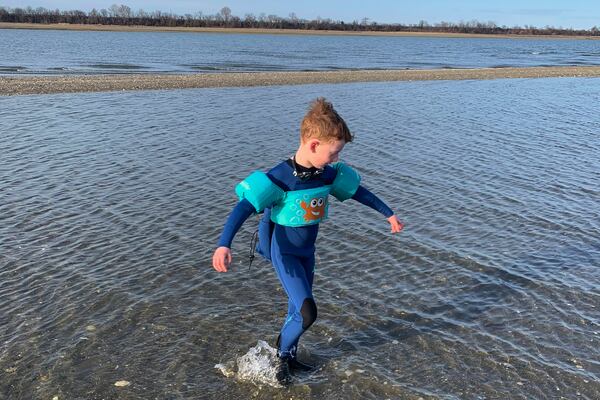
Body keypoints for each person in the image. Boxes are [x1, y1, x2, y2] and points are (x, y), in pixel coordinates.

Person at [212, 97, 404, 385]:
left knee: (295, 309)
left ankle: (288, 359)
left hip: (307, 252)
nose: (336, 160)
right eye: (333, 153)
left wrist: (388, 214)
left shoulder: (327, 174)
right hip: (285, 252)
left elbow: (358, 192)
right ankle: (278, 357)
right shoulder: (279, 179)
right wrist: (224, 244)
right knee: (307, 312)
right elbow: (243, 208)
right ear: (313, 144)